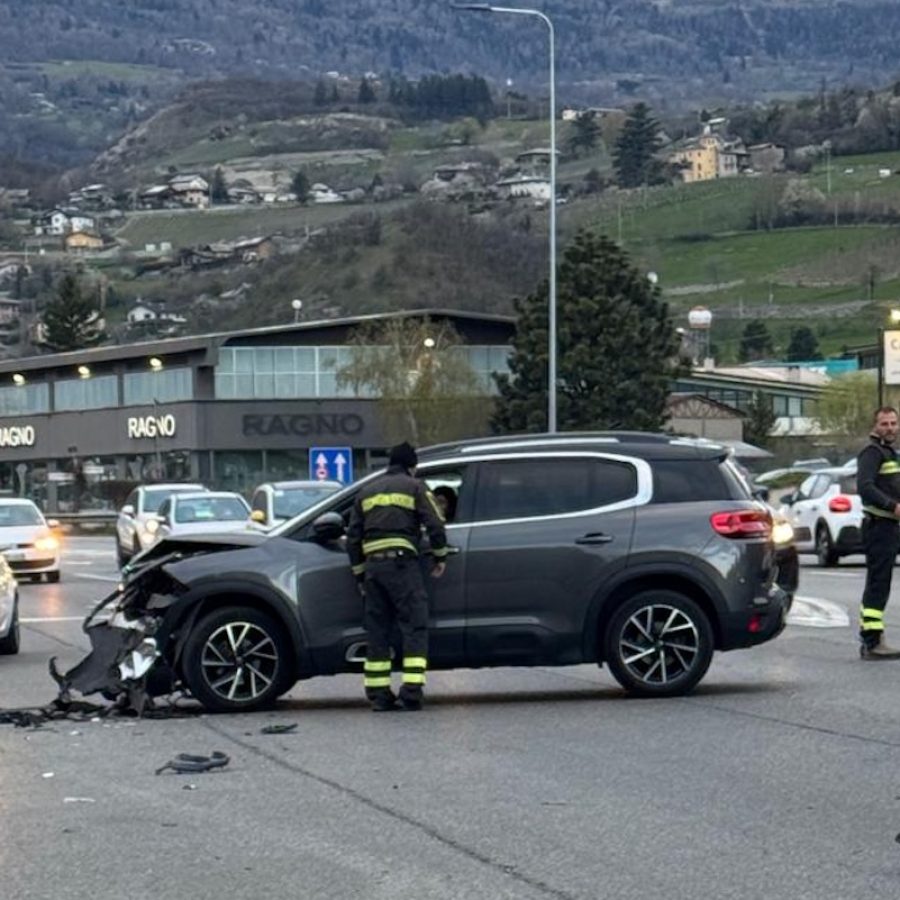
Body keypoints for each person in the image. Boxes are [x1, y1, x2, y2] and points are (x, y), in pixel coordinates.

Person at [347, 441, 448, 711]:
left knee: (378, 631)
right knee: (414, 625)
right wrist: (440, 556)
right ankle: (411, 692)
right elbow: (435, 524)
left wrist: (359, 576)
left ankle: (379, 695)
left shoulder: (366, 492)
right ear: (411, 466)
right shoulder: (415, 487)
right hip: (402, 565)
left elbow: (353, 538)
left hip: (373, 570)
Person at [857, 406, 900, 660]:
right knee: (878, 583)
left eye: (893, 423)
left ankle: (872, 638)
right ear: (875, 426)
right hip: (879, 526)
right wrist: (892, 506)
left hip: (891, 527)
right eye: (884, 424)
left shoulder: (890, 453)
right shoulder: (872, 453)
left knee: (879, 582)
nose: (890, 428)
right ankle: (872, 641)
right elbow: (865, 487)